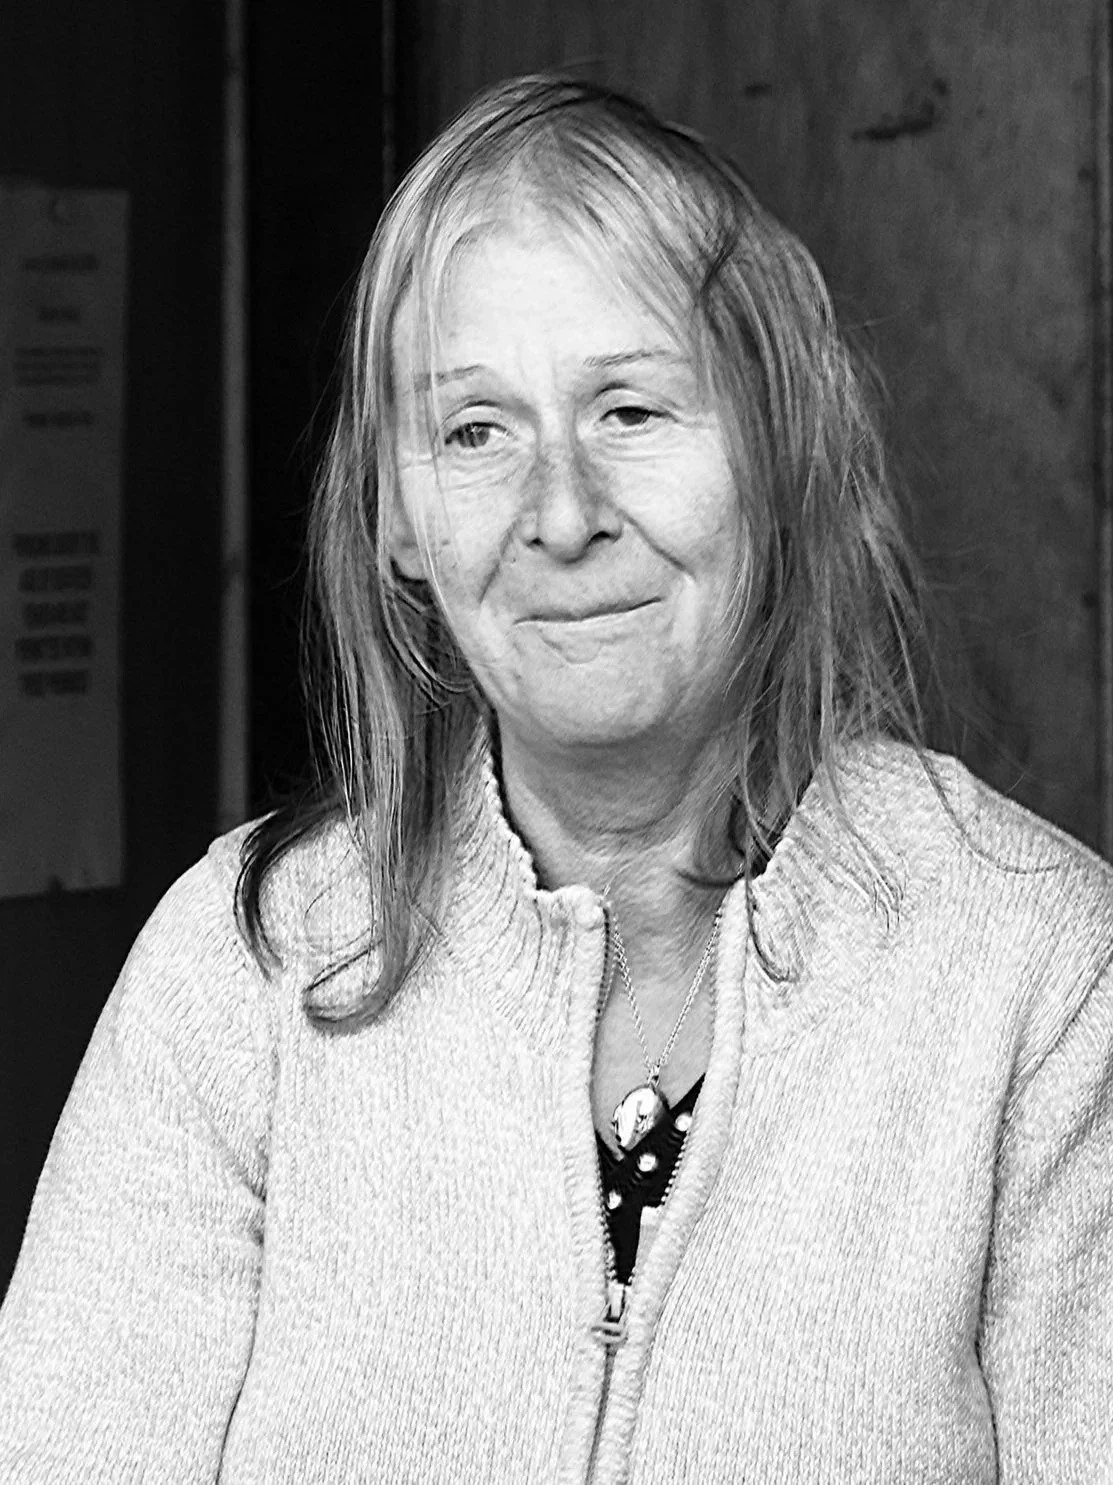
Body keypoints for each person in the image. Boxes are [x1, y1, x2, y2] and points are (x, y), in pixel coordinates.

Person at [1, 73, 1111, 1484]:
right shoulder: (247, 971)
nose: (564, 513)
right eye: (475, 432)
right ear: (400, 522)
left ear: (780, 452)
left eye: (633, 410)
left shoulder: (1039, 972)